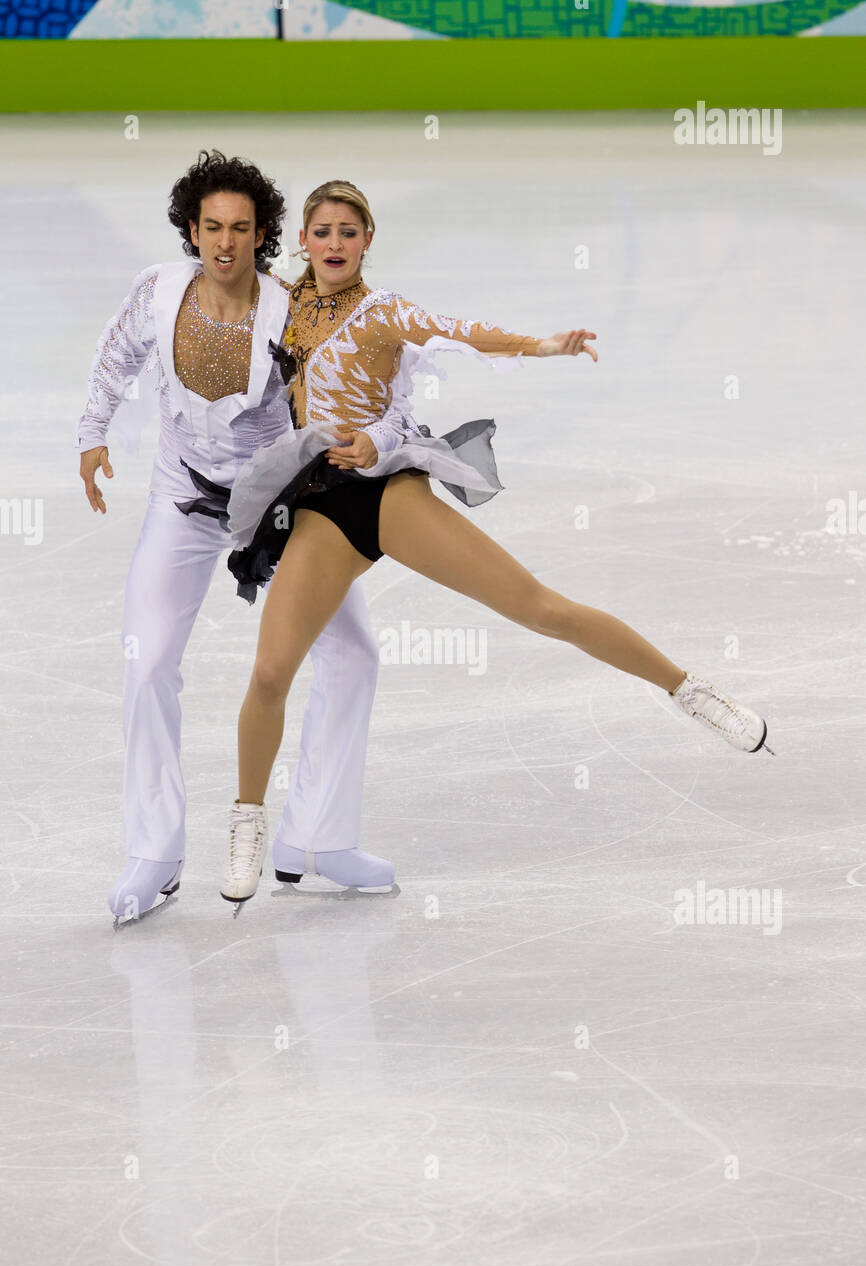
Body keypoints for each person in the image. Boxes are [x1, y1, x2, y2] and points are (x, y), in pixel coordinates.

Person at [217, 179, 772, 909]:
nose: (334, 244)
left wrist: (542, 347)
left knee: (542, 609)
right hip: (322, 507)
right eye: (322, 231)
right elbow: (215, 296)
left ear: (368, 240)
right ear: (303, 241)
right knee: (268, 674)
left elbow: (459, 331)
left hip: (388, 496)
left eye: (349, 231)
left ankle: (690, 691)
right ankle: (248, 822)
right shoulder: (283, 307)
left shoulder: (382, 311)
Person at [77, 153, 419, 927]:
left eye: (240, 228)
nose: (223, 243)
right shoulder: (160, 291)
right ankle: (154, 854)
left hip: (279, 506)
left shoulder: (294, 309)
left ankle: (320, 841)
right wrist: (92, 435)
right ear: (190, 231)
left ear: (263, 234)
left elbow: (371, 377)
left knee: (354, 651)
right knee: (148, 659)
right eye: (210, 228)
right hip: (183, 501)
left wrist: (376, 440)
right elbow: (113, 359)